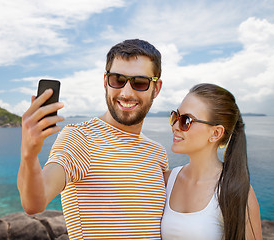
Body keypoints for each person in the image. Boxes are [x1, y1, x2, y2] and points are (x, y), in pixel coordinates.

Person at [17, 39, 168, 239]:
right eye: (117, 80)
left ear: (156, 88)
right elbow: (34, 202)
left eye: (140, 82)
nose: (126, 92)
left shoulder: (157, 152)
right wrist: (29, 154)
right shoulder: (80, 138)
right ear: (106, 82)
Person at [161, 83, 262, 240]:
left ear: (216, 133)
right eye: (175, 116)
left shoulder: (235, 191)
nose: (175, 126)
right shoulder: (167, 181)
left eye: (186, 120)